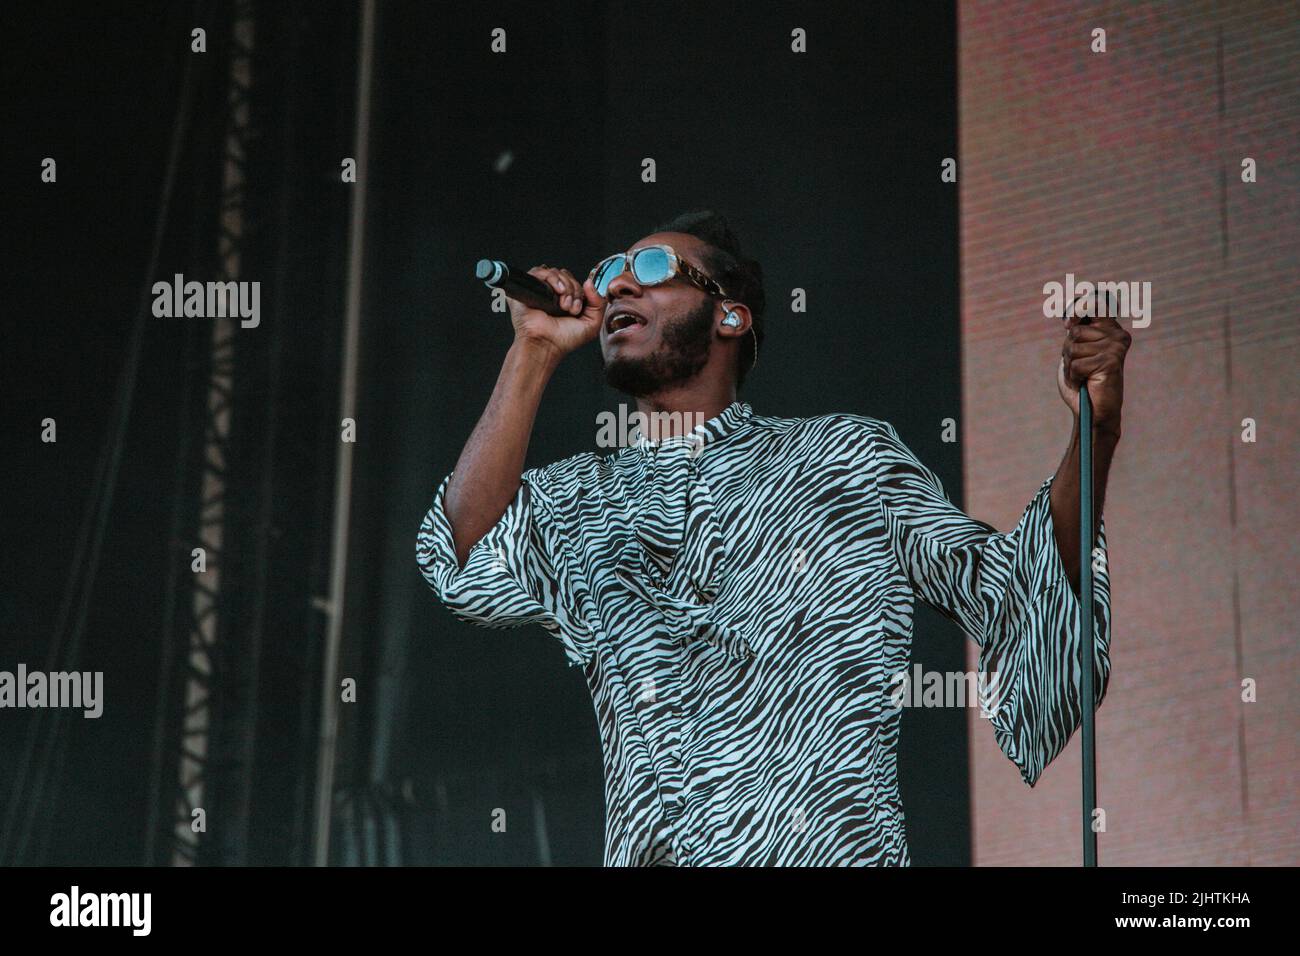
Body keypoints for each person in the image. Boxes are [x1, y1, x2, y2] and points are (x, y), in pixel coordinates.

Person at [416, 210, 1131, 866]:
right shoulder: (580, 499)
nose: (620, 282)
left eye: (656, 268)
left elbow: (1016, 591)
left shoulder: (844, 460)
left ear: (730, 316)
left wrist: (1094, 431)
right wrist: (534, 351)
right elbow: (462, 557)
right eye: (607, 274)